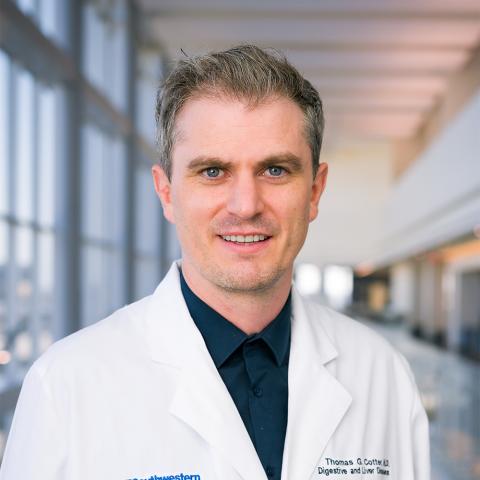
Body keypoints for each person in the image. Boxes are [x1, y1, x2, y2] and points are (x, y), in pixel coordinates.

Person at [0, 45, 429, 480]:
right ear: (166, 192)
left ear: (315, 191)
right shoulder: (67, 385)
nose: (245, 206)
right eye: (212, 172)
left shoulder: (382, 376)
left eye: (275, 170)